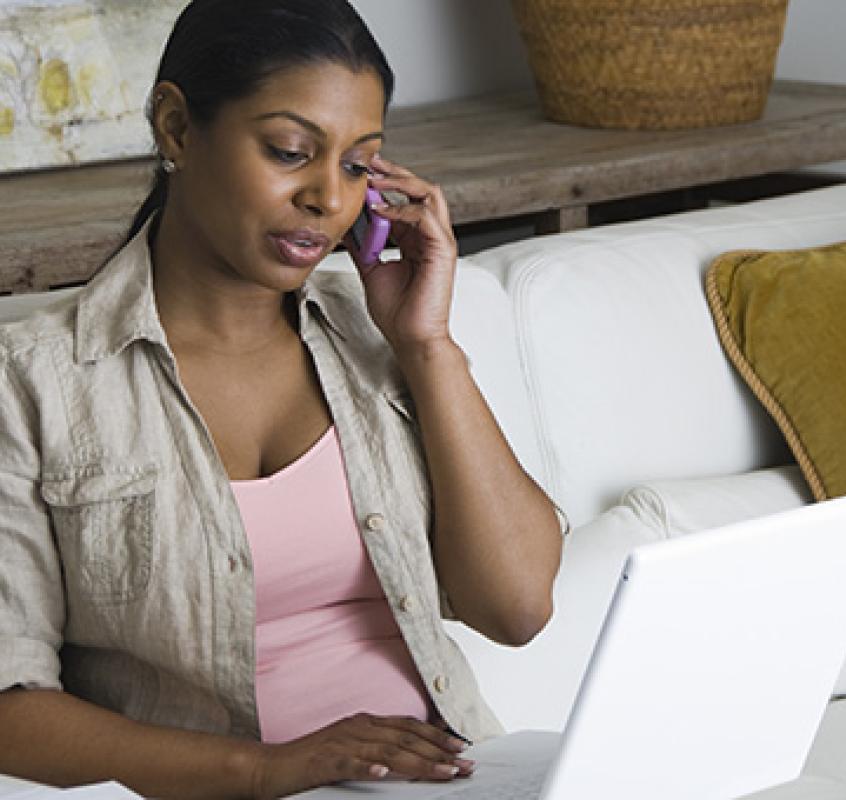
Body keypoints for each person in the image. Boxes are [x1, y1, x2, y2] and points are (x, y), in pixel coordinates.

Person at [0, 1, 564, 796]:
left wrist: (427, 346)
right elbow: (10, 708)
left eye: (359, 164)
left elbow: (516, 609)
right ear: (176, 128)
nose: (328, 199)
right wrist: (268, 769)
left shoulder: (375, 339)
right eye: (290, 151)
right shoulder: (34, 382)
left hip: (459, 775)